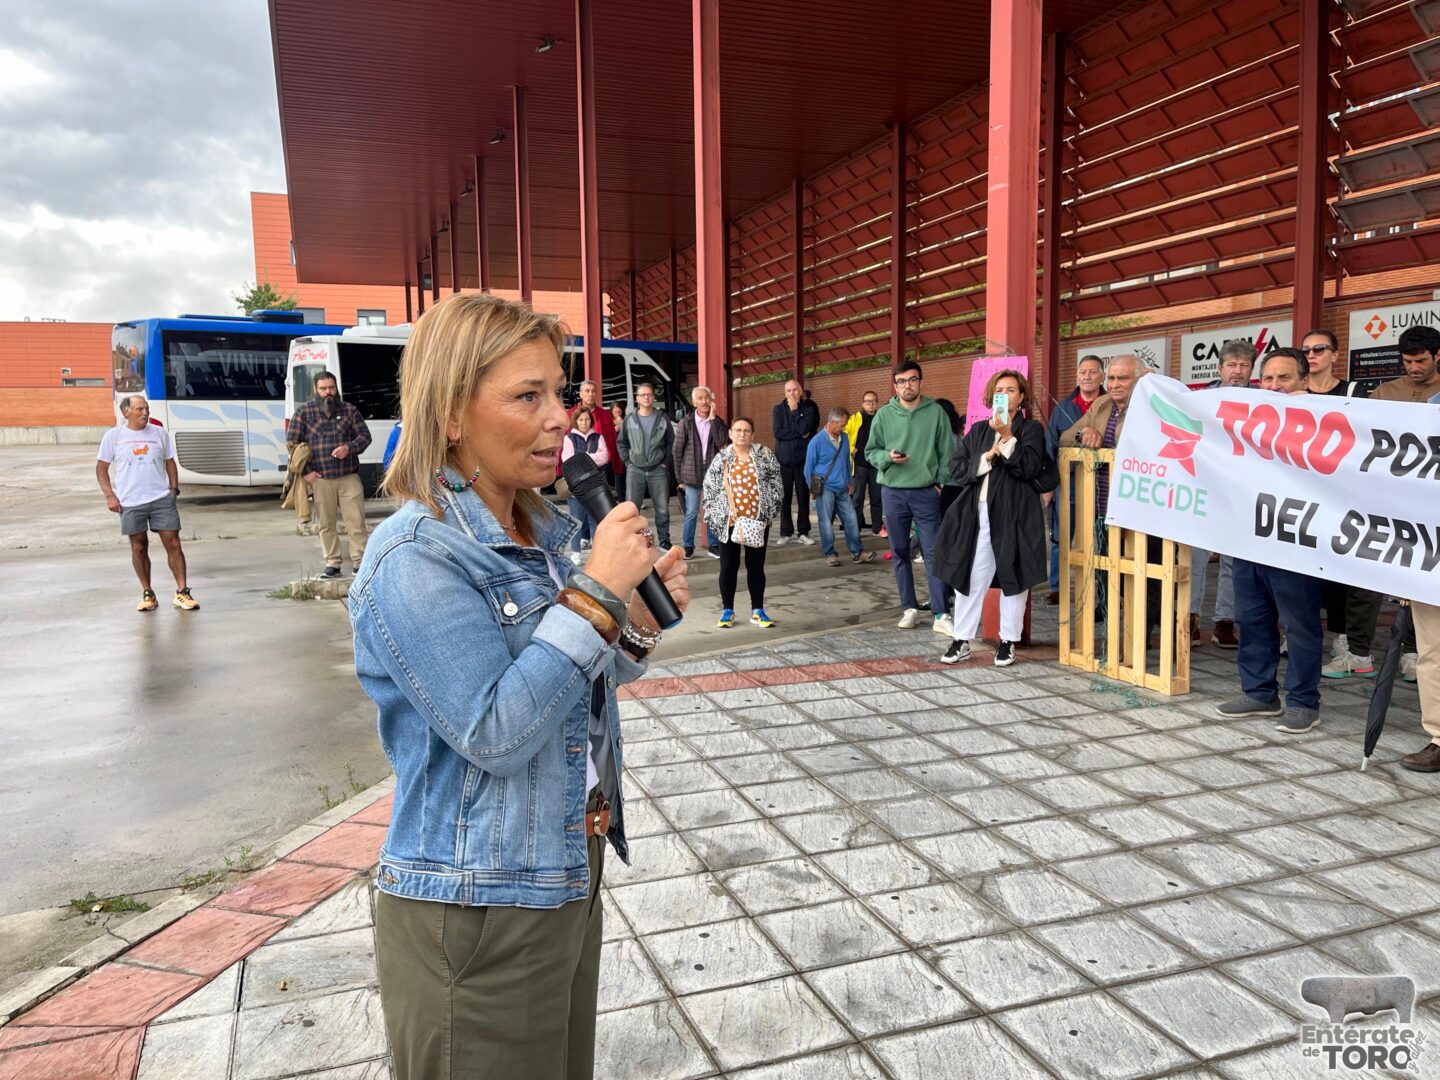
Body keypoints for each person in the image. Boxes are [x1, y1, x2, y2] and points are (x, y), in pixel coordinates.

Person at [352, 293, 690, 1080]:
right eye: (526, 397)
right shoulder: (415, 558)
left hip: (566, 869)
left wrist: (628, 617)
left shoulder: (537, 533)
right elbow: (497, 731)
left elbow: (568, 691)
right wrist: (594, 597)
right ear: (452, 413)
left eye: (560, 394)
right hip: (478, 907)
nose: (560, 420)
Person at [1216, 349, 1324, 735]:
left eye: (1284, 379)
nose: (1274, 386)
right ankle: (1260, 692)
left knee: (1299, 623)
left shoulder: (1324, 423)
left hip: (1295, 541)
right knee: (1252, 618)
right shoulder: (1246, 421)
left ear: (1304, 382)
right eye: (1268, 379)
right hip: (1249, 537)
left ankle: (1303, 701)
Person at [1324, 326, 1435, 680]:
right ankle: (1358, 651)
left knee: (1422, 577)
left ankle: (1416, 653)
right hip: (1384, 499)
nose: (1413, 368)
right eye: (1407, 361)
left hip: (1430, 503)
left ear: (1437, 357)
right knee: (1365, 573)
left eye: (1420, 361)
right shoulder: (1385, 392)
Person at [935, 369, 1045, 667]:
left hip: (1015, 515)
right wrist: (986, 457)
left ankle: (1008, 641)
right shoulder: (980, 430)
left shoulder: (1031, 430)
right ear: (991, 396)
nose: (1006, 394)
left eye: (1012, 389)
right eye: (1000, 389)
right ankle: (961, 638)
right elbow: (956, 469)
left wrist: (1009, 438)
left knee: (1014, 575)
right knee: (970, 575)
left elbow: (1031, 467)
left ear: (1021, 397)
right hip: (977, 512)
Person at [865, 360, 957, 635]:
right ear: (895, 386)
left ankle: (941, 613)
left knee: (933, 551)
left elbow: (946, 452)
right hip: (892, 491)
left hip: (926, 491)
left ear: (921, 382)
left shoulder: (935, 412)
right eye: (902, 381)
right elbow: (871, 451)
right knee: (901, 552)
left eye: (912, 379)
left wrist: (940, 482)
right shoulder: (883, 415)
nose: (908, 385)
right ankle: (909, 608)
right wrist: (887, 457)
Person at [96, 394, 198, 612]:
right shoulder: (113, 436)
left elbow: (170, 461)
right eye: (140, 409)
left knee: (173, 543)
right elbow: (101, 468)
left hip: (161, 499)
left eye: (147, 408)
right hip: (130, 502)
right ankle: (148, 593)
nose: (145, 413)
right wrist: (109, 495)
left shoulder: (159, 433)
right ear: (126, 413)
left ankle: (182, 592)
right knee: (138, 546)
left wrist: (173, 489)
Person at [1201, 341, 1260, 648]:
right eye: (1232, 365)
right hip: (1205, 484)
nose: (1238, 371)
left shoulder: (1263, 401)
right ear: (1220, 368)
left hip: (1241, 488)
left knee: (1233, 558)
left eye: (1244, 366)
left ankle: (1225, 621)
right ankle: (1189, 618)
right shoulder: (1199, 400)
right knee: (1195, 554)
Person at [287, 370, 372, 578]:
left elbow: (365, 437)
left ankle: (360, 563)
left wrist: (349, 448)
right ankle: (332, 563)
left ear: (336, 388)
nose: (328, 393)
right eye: (323, 388)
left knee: (356, 522)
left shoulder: (350, 411)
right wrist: (307, 473)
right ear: (316, 390)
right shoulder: (304, 413)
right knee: (326, 524)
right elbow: (292, 444)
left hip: (348, 477)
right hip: (321, 479)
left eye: (331, 388)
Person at [702, 417, 783, 628]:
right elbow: (709, 489)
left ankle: (758, 610)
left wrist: (768, 514)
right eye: (737, 430)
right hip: (729, 523)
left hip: (757, 523)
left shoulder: (765, 456)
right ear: (730, 433)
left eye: (746, 430)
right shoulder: (721, 458)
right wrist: (716, 516)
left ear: (753, 435)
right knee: (728, 566)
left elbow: (777, 487)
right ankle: (727, 610)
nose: (742, 434)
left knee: (756, 567)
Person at [1045, 355, 1105, 604]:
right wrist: (1048, 486)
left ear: (1102, 376)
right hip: (1066, 484)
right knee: (1062, 537)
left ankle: (1097, 589)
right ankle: (1058, 587)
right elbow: (1050, 446)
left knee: (1098, 538)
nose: (1087, 376)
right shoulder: (1062, 408)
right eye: (1083, 372)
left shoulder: (1111, 405)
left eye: (1093, 372)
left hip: (1102, 483)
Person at [805, 407, 877, 567]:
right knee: (825, 523)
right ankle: (830, 554)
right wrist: (812, 489)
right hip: (825, 488)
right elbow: (808, 469)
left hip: (843, 488)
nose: (844, 429)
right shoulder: (816, 442)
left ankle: (857, 552)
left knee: (851, 520)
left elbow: (845, 461)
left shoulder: (844, 438)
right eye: (842, 425)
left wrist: (849, 481)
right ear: (832, 422)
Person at [672, 385, 729, 559]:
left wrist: (712, 420)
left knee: (712, 510)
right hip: (691, 475)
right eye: (700, 398)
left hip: (713, 474)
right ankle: (688, 546)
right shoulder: (686, 423)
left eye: (707, 398)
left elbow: (722, 444)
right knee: (691, 512)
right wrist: (679, 478)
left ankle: (713, 545)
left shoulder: (718, 422)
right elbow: (676, 451)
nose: (704, 401)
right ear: (694, 402)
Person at [617, 382, 675, 551]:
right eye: (643, 395)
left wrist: (665, 463)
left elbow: (671, 442)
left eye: (649, 394)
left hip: (658, 469)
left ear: (654, 398)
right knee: (632, 509)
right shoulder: (630, 419)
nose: (647, 398)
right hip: (635, 469)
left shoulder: (663, 418)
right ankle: (632, 540)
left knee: (662, 508)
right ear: (637, 399)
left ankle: (664, 540)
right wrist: (628, 463)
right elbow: (622, 442)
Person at [771, 378, 820, 545]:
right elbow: (778, 433)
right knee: (784, 497)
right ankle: (786, 532)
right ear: (785, 393)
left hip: (803, 460)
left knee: (803, 496)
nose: (792, 393)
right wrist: (799, 432)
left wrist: (794, 411)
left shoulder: (809, 408)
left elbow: (806, 430)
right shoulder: (778, 410)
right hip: (783, 461)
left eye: (795, 390)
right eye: (789, 391)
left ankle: (804, 532)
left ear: (800, 391)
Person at [561, 406, 609, 561]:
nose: (584, 422)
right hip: (576, 485)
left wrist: (583, 456)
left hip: (596, 485)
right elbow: (568, 460)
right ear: (576, 421)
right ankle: (575, 553)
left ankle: (598, 550)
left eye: (587, 419)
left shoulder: (597, 437)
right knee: (577, 519)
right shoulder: (569, 438)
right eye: (581, 419)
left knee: (595, 519)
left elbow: (605, 457)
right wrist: (592, 457)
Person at [845, 390, 884, 536]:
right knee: (857, 498)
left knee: (876, 498)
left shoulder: (881, 417)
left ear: (877, 403)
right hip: (860, 464)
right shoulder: (855, 418)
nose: (871, 404)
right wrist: (850, 448)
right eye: (867, 401)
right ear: (862, 403)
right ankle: (856, 528)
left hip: (876, 465)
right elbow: (844, 435)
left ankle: (877, 528)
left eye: (873, 401)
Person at [608, 401, 627, 499]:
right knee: (618, 475)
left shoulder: (626, 420)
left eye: (619, 412)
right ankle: (621, 497)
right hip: (615, 452)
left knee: (627, 474)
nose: (618, 414)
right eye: (615, 412)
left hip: (626, 451)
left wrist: (622, 424)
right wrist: (616, 428)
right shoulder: (609, 421)